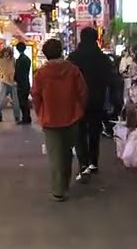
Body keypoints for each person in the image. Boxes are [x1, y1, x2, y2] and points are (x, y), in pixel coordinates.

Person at [31, 38, 87, 201]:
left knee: (55, 154)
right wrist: (79, 109)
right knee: (67, 152)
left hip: (50, 118)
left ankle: (58, 190)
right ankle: (65, 184)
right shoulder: (73, 70)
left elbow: (35, 96)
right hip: (72, 116)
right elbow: (82, 91)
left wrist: (40, 113)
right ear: (61, 51)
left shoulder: (40, 74)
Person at [68, 27, 121, 181]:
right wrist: (112, 100)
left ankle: (83, 162)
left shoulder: (73, 58)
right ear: (96, 38)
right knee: (94, 131)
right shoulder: (103, 59)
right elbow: (111, 81)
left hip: (78, 100)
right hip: (98, 100)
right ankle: (94, 162)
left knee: (80, 132)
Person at [0, 46, 25, 124]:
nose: (6, 54)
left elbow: (15, 69)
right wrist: (0, 76)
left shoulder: (13, 60)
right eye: (5, 52)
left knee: (15, 101)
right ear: (3, 53)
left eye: (8, 52)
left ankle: (17, 116)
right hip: (4, 81)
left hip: (12, 81)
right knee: (0, 99)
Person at [14, 41, 33, 123]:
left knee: (22, 101)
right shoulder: (27, 59)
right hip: (26, 81)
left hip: (21, 83)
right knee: (25, 100)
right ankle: (27, 117)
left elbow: (18, 72)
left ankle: (25, 118)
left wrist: (15, 79)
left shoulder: (19, 60)